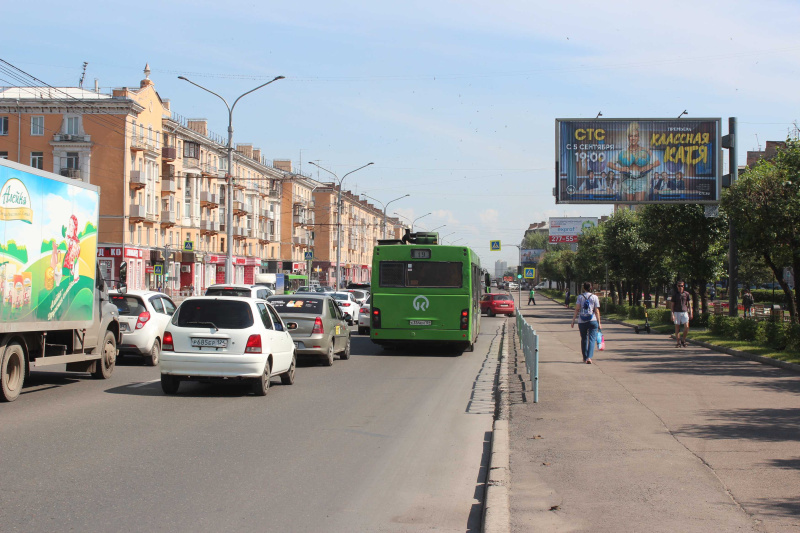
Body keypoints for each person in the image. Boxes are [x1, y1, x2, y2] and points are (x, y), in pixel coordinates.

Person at [607, 122, 661, 202]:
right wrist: (620, 169)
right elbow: (609, 164)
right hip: (628, 178)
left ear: (638, 138)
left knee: (639, 203)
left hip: (641, 178)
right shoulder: (624, 152)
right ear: (628, 138)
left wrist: (649, 166)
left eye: (635, 136)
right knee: (629, 203)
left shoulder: (645, 150)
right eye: (631, 136)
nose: (633, 138)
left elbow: (657, 162)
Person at [571, 282, 602, 364]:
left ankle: (584, 357)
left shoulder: (580, 297)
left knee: (584, 339)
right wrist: (599, 322)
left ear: (583, 288)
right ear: (591, 288)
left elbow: (577, 309)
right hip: (593, 321)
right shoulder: (595, 297)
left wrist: (573, 321)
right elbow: (597, 311)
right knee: (591, 339)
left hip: (582, 321)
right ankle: (589, 357)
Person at [671, 280, 692, 347]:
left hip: (684, 312)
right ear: (677, 286)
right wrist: (672, 314)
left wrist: (691, 312)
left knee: (686, 327)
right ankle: (678, 342)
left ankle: (683, 340)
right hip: (677, 312)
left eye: (682, 286)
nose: (681, 287)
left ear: (684, 286)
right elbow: (672, 306)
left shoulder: (686, 294)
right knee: (677, 328)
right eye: (679, 286)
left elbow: (689, 304)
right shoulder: (675, 294)